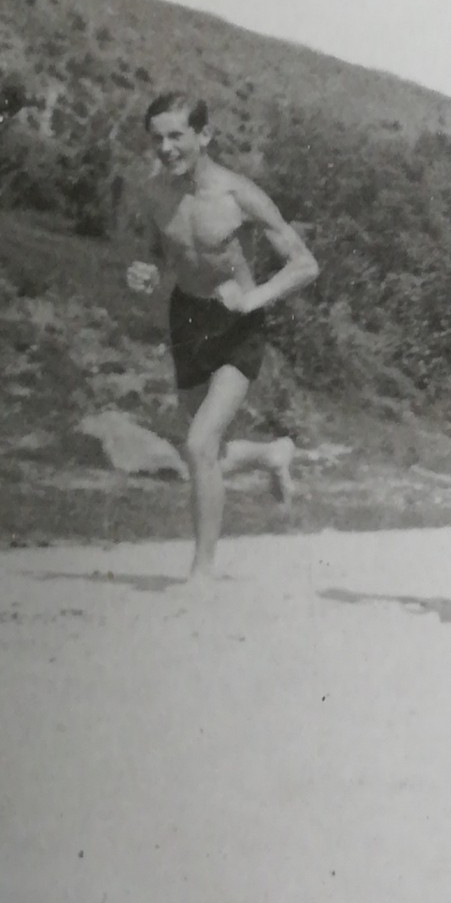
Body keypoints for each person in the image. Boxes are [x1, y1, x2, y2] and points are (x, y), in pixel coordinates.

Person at [127, 92, 319, 581]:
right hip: (187, 320)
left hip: (237, 325)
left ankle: (202, 570)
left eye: (177, 136)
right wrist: (145, 270)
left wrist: (255, 300)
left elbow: (304, 264)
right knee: (204, 450)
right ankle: (273, 454)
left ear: (204, 137)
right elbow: (157, 249)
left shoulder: (238, 195)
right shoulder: (154, 193)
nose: (166, 148)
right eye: (157, 139)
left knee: (197, 445)